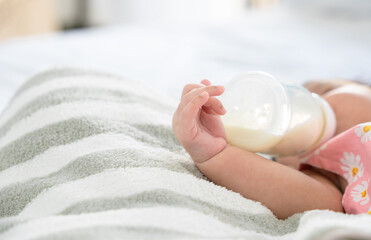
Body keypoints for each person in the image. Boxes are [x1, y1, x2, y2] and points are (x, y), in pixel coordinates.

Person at [172, 78, 371, 219]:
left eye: (324, 93)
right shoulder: (330, 185)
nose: (302, 113)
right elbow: (314, 203)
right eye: (275, 151)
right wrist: (216, 154)